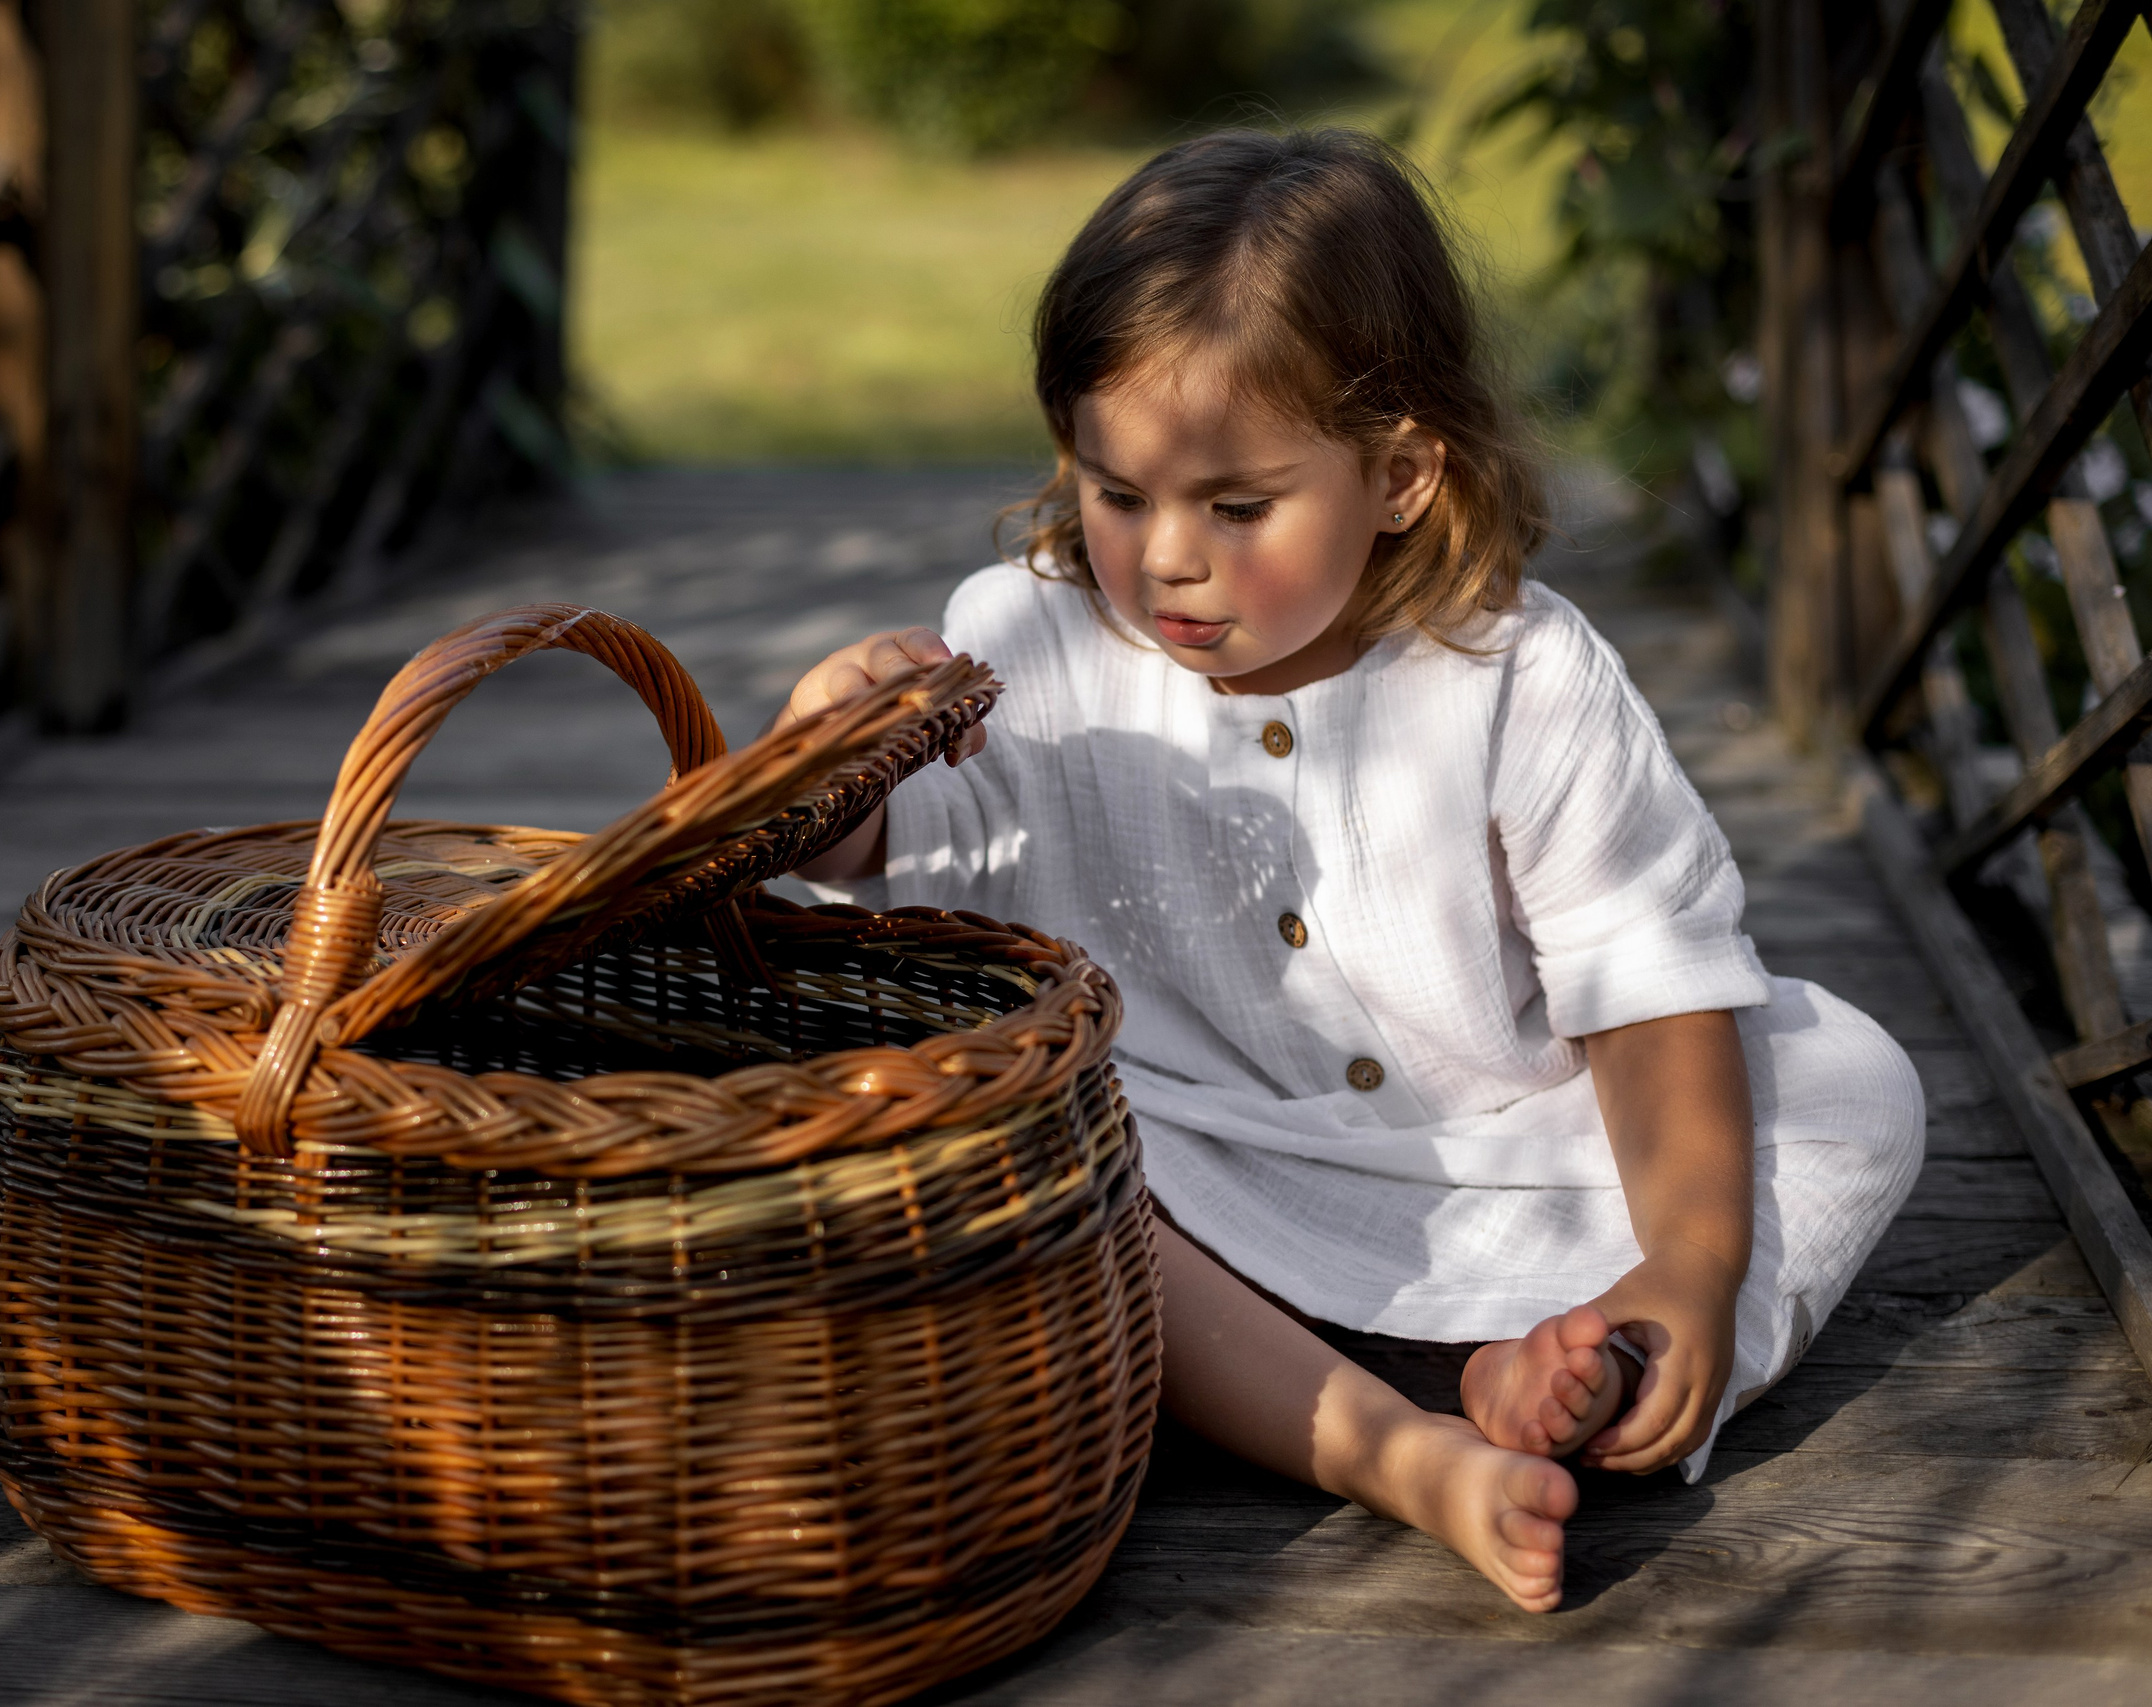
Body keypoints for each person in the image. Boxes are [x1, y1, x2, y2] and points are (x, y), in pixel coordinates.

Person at [778, 130, 1924, 1613]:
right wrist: (830, 753)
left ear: (1398, 474)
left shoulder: (1518, 671)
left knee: (1855, 1087)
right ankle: (1402, 1451)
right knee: (1023, 1166)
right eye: (1116, 494)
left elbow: (1648, 986)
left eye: (1235, 507)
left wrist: (1693, 1264)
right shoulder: (1031, 639)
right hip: (1178, 1170)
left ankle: (1603, 1358)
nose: (1167, 557)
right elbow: (869, 862)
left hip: (1503, 1161)